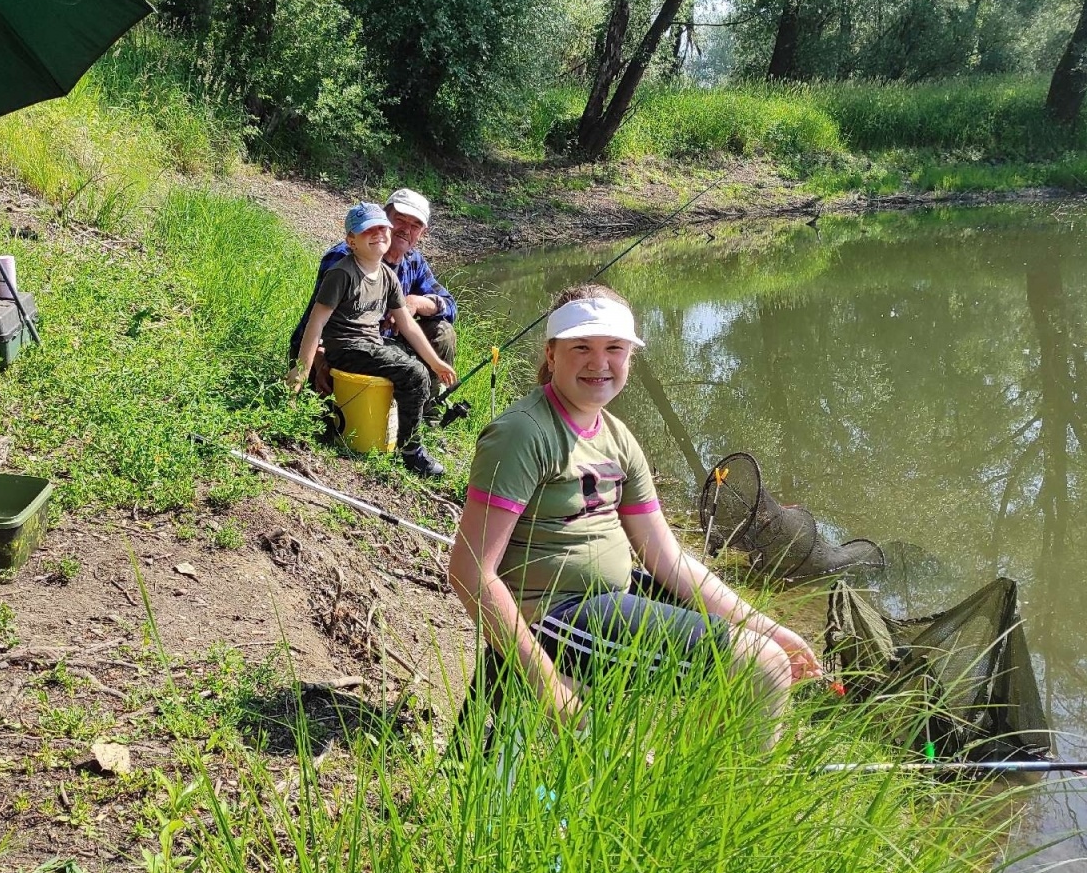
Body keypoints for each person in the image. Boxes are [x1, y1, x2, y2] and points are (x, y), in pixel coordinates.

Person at [447, 284, 822, 736]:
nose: (598, 362)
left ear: (630, 357)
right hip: (554, 614)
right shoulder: (522, 434)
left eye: (614, 348)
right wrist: (553, 691)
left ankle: (688, 780)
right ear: (551, 353)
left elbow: (669, 558)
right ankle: (714, 797)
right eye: (581, 347)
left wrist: (768, 626)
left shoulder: (618, 437)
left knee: (765, 650)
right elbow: (470, 570)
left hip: (607, 600)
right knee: (762, 667)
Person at [288, 203, 457, 477]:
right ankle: (411, 450)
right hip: (345, 347)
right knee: (413, 374)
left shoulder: (389, 275)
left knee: (417, 365)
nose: (378, 233)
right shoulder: (341, 271)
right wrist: (301, 372)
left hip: (371, 344)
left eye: (382, 228)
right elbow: (314, 323)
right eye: (369, 229)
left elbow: (409, 327)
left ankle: (406, 427)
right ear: (351, 241)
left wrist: (437, 363)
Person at [315, 188, 456, 419]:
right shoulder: (343, 259)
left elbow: (450, 306)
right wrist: (319, 359)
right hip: (342, 348)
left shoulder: (414, 262)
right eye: (399, 219)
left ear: (422, 232)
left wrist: (417, 302)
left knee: (443, 331)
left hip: (384, 346)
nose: (405, 230)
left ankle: (426, 414)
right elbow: (315, 319)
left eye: (415, 225)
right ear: (384, 217)